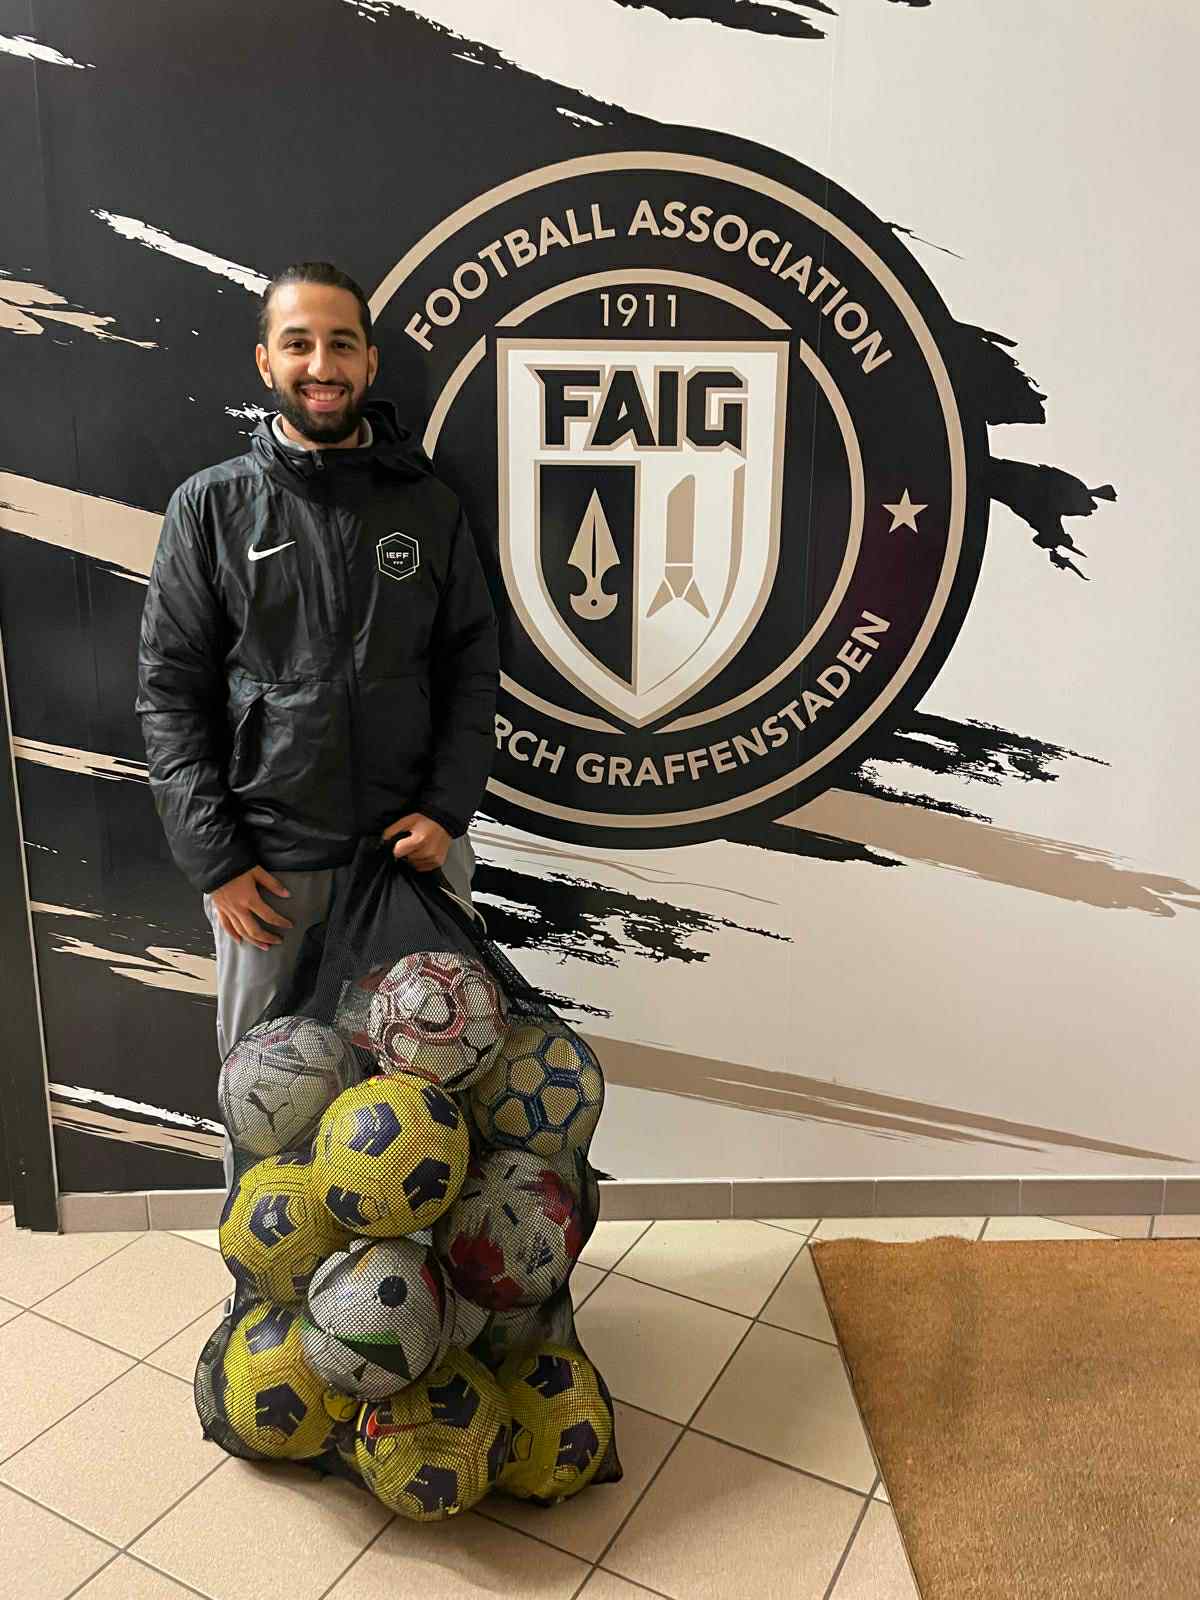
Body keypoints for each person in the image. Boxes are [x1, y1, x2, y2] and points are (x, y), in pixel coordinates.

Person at [136, 261, 499, 1182]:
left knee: (428, 1102)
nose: (321, 364)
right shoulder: (212, 507)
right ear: (266, 361)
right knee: (273, 1104)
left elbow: (470, 669)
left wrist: (447, 810)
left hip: (411, 858)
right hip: (270, 869)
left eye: (341, 343)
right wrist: (215, 859)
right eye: (298, 343)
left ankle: (413, 1276)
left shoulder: (428, 505)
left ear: (371, 362)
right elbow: (170, 693)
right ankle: (268, 1268)